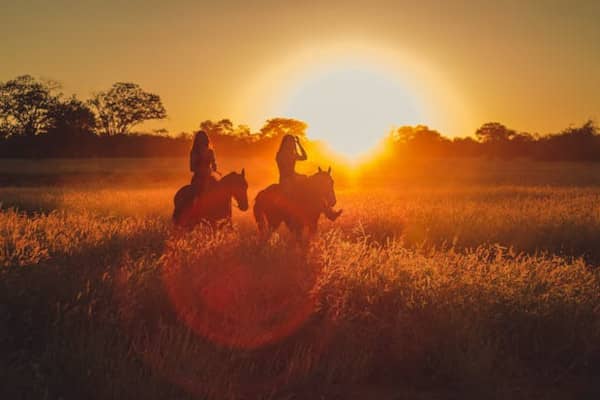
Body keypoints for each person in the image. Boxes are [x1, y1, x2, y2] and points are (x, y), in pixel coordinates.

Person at [275, 134, 342, 221]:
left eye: (292, 142)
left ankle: (328, 211)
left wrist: (299, 144)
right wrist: (294, 175)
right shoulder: (280, 154)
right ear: (285, 143)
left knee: (313, 187)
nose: (291, 144)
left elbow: (304, 157)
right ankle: (292, 215)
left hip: (293, 176)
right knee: (291, 194)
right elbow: (285, 169)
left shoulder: (293, 154)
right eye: (289, 142)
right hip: (286, 179)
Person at [190, 130, 217, 196]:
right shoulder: (194, 152)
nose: (202, 141)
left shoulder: (210, 151)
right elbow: (192, 168)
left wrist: (214, 168)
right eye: (200, 139)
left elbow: (214, 164)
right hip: (198, 178)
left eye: (203, 139)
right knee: (197, 194)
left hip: (209, 176)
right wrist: (203, 170)